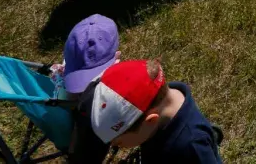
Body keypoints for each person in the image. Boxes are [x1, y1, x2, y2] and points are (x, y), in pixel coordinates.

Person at [79, 59, 222, 162]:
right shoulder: (158, 102)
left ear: (151, 120)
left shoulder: (191, 148)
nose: (115, 146)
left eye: (118, 143)